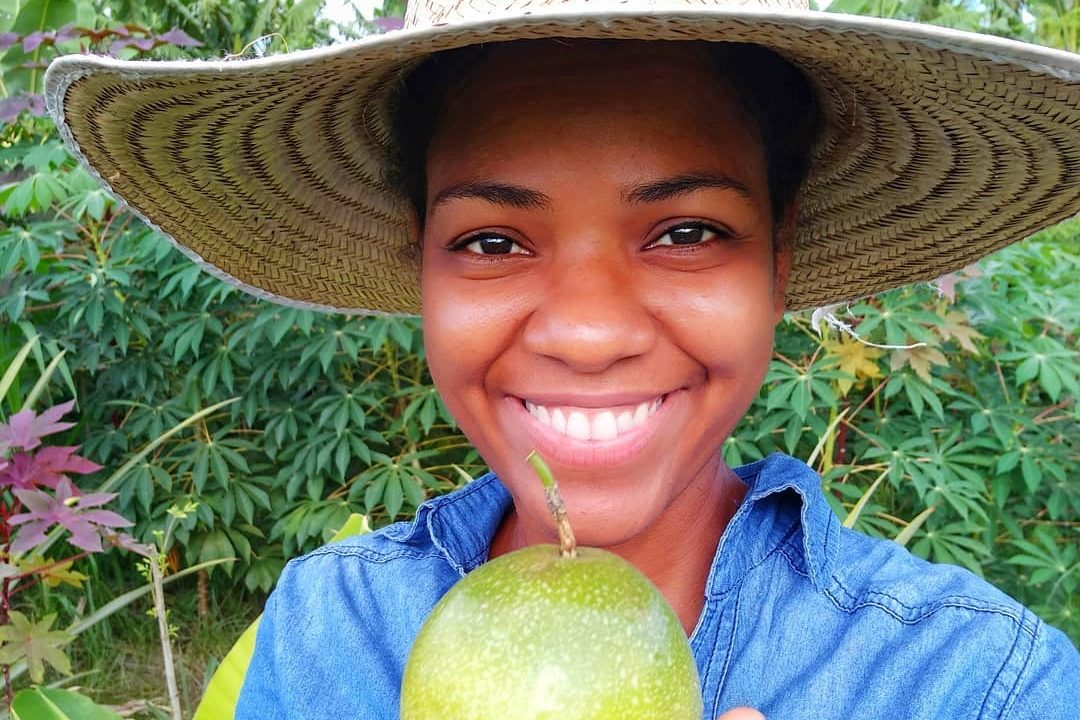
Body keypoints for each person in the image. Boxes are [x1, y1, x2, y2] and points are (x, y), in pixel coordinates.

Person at [45, 0, 1079, 717]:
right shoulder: (332, 627)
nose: (587, 333)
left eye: (686, 232)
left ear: (781, 254)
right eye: (491, 242)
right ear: (422, 266)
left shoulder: (975, 683)